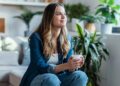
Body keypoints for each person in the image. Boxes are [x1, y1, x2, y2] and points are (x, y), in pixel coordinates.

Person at [20, 3, 88, 86]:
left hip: (58, 78)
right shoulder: (36, 37)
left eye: (64, 14)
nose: (63, 17)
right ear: (49, 17)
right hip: (38, 77)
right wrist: (66, 65)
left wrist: (73, 65)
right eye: (58, 14)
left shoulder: (67, 38)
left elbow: (67, 66)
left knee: (81, 76)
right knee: (51, 78)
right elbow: (40, 66)